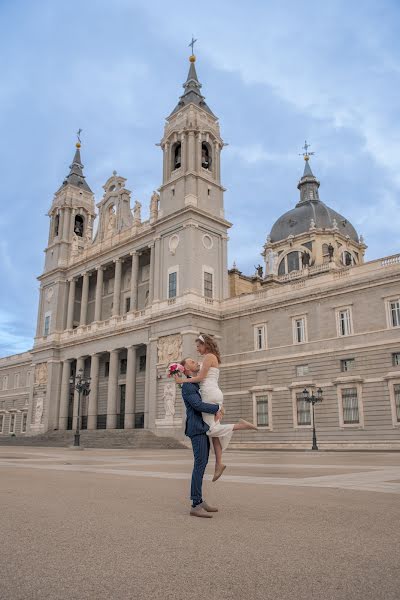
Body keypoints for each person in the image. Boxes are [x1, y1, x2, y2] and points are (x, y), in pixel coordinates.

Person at [175, 334, 258, 482]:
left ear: (205, 344)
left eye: (199, 346)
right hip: (214, 393)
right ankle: (219, 464)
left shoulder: (208, 357)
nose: (197, 349)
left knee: (210, 430)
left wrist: (182, 380)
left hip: (209, 393)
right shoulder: (211, 358)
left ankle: (241, 426)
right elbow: (199, 374)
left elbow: (200, 379)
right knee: (214, 433)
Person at [179, 358, 222, 518]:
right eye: (191, 362)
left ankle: (199, 500)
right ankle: (196, 504)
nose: (196, 362)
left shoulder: (194, 383)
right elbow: (197, 405)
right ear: (185, 369)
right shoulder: (188, 385)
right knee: (199, 465)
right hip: (196, 429)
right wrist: (217, 407)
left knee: (202, 465)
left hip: (202, 428)